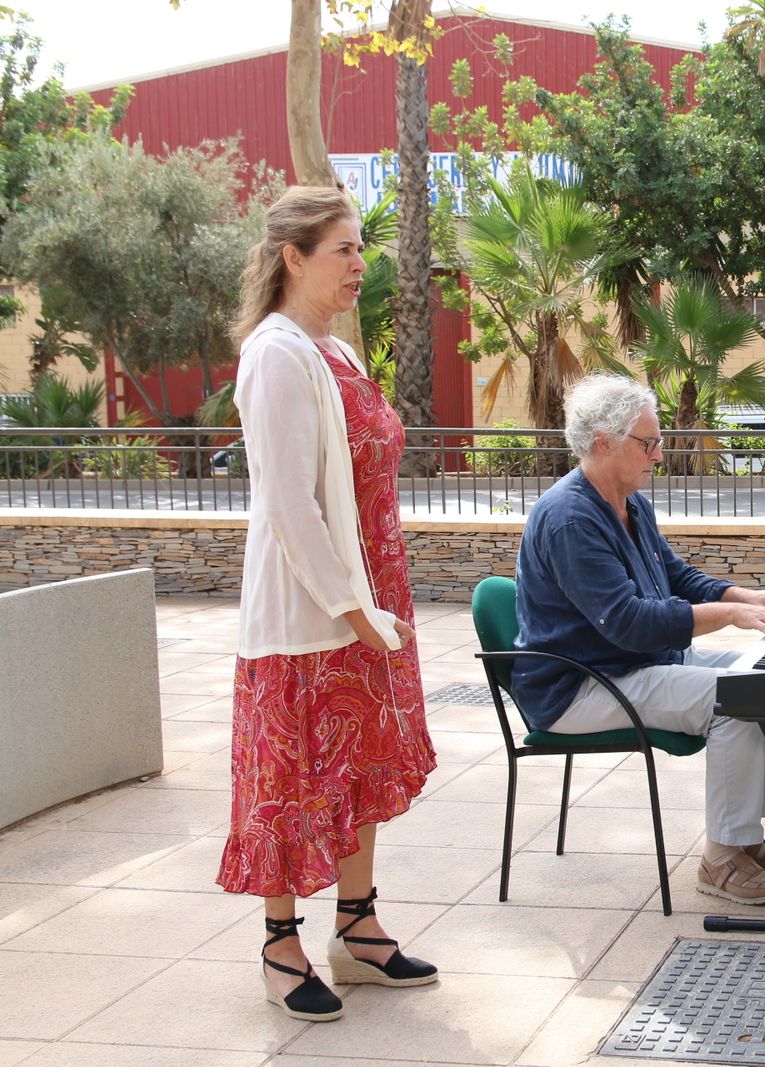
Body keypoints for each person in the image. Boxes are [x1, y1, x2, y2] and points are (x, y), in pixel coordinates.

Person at [217, 186, 438, 1024]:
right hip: (313, 610)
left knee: (360, 764)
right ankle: (281, 941)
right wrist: (352, 609)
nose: (359, 263)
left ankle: (358, 926)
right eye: (343, 249)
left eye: (359, 248)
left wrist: (372, 605)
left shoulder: (335, 352)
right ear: (293, 258)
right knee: (290, 771)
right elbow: (288, 505)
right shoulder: (275, 353)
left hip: (366, 596)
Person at [513, 374, 765, 903]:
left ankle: (742, 838)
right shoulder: (569, 519)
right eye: (648, 443)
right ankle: (722, 860)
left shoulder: (629, 502)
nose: (658, 454)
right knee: (737, 699)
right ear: (603, 442)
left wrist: (744, 596)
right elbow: (628, 622)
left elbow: (674, 578)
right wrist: (727, 616)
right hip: (581, 685)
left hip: (629, 665)